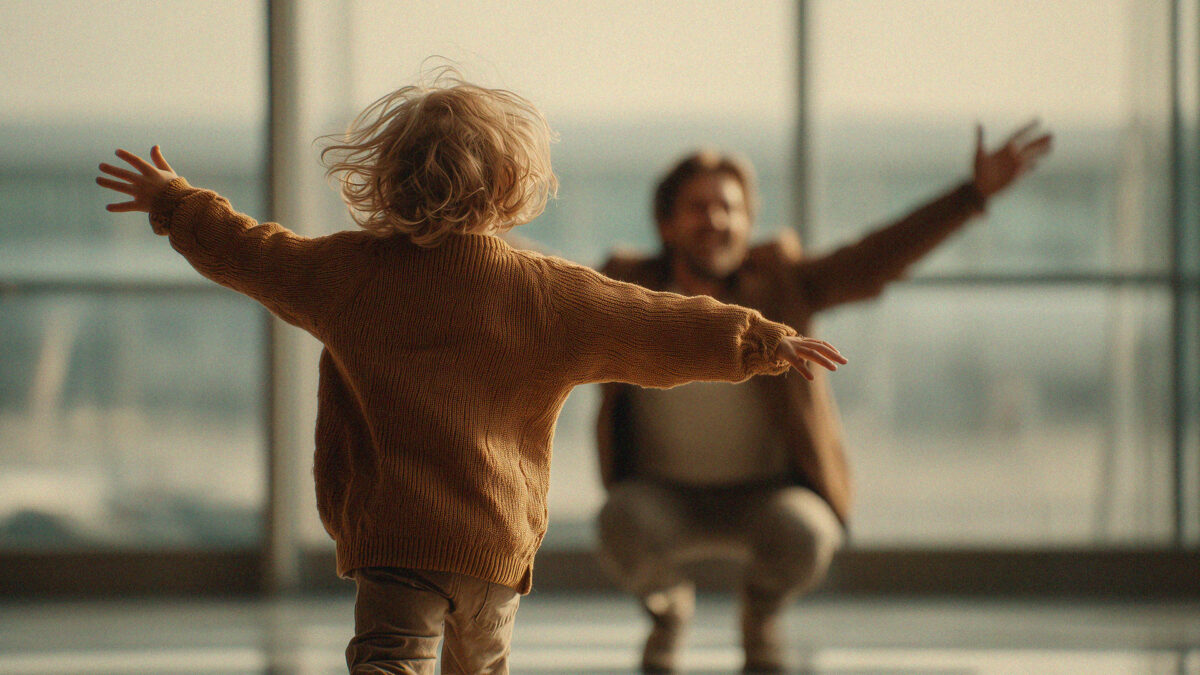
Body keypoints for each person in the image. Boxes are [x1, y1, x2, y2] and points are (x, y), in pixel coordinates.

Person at [94, 70, 847, 675]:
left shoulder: (346, 274)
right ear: (511, 182)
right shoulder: (544, 292)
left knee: (390, 659)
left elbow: (251, 251)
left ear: (388, 176)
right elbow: (651, 323)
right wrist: (760, 341)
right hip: (491, 545)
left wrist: (175, 203)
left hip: (393, 541)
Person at [596, 123, 1052, 673]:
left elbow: (874, 259)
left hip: (767, 495)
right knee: (618, 522)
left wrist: (970, 195)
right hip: (663, 495)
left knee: (809, 533)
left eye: (729, 208)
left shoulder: (782, 283)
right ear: (667, 224)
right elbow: (542, 285)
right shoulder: (627, 288)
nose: (715, 220)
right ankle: (668, 612)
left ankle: (760, 611)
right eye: (699, 207)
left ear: (748, 224)